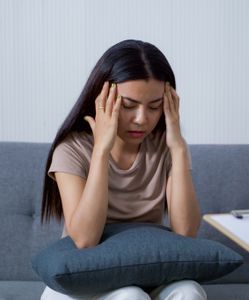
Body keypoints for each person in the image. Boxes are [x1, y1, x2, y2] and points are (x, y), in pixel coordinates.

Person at [40, 39, 207, 300]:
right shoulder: (72, 149)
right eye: (128, 105)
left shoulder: (166, 148)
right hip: (84, 279)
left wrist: (178, 149)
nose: (142, 119)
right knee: (130, 296)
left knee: (190, 292)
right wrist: (101, 151)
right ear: (101, 98)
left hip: (145, 273)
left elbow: (186, 232)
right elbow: (84, 239)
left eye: (154, 106)